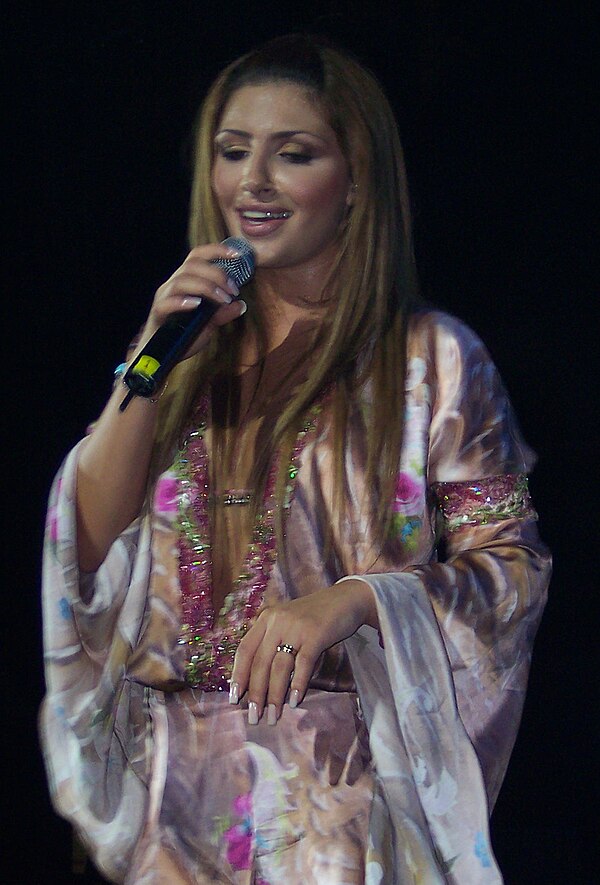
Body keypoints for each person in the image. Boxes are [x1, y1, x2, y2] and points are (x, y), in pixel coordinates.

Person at [40, 34, 551, 884]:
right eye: (233, 152)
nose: (255, 183)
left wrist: (354, 600)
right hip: (167, 809)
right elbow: (82, 553)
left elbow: (513, 571)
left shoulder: (433, 361)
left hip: (331, 813)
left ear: (356, 184)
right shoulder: (181, 353)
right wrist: (145, 370)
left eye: (295, 154)